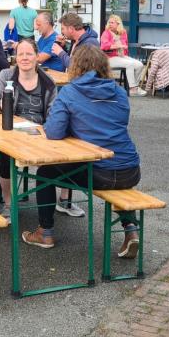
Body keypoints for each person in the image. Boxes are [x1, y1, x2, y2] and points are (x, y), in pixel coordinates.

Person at [21, 46, 142, 259]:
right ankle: (130, 228)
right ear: (104, 66)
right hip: (130, 170)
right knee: (117, 183)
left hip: (99, 172)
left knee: (45, 173)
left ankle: (45, 232)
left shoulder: (70, 92)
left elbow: (54, 132)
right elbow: (114, 123)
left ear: (76, 66)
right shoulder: (120, 92)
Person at [0, 40, 58, 220]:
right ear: (15, 57)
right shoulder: (6, 75)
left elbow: (54, 112)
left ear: (37, 57)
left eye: (29, 54)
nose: (24, 58)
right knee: (6, 156)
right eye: (21, 54)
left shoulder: (48, 82)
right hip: (11, 131)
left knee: (52, 163)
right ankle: (9, 204)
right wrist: (2, 105)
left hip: (39, 132)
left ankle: (52, 209)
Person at [101, 15, 146, 96]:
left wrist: (119, 45)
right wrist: (118, 45)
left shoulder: (123, 32)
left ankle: (134, 88)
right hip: (109, 58)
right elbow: (104, 46)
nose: (110, 24)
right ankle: (133, 88)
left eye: (112, 23)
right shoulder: (106, 33)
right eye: (109, 22)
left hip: (121, 56)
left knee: (139, 65)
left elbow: (125, 45)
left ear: (118, 24)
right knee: (129, 64)